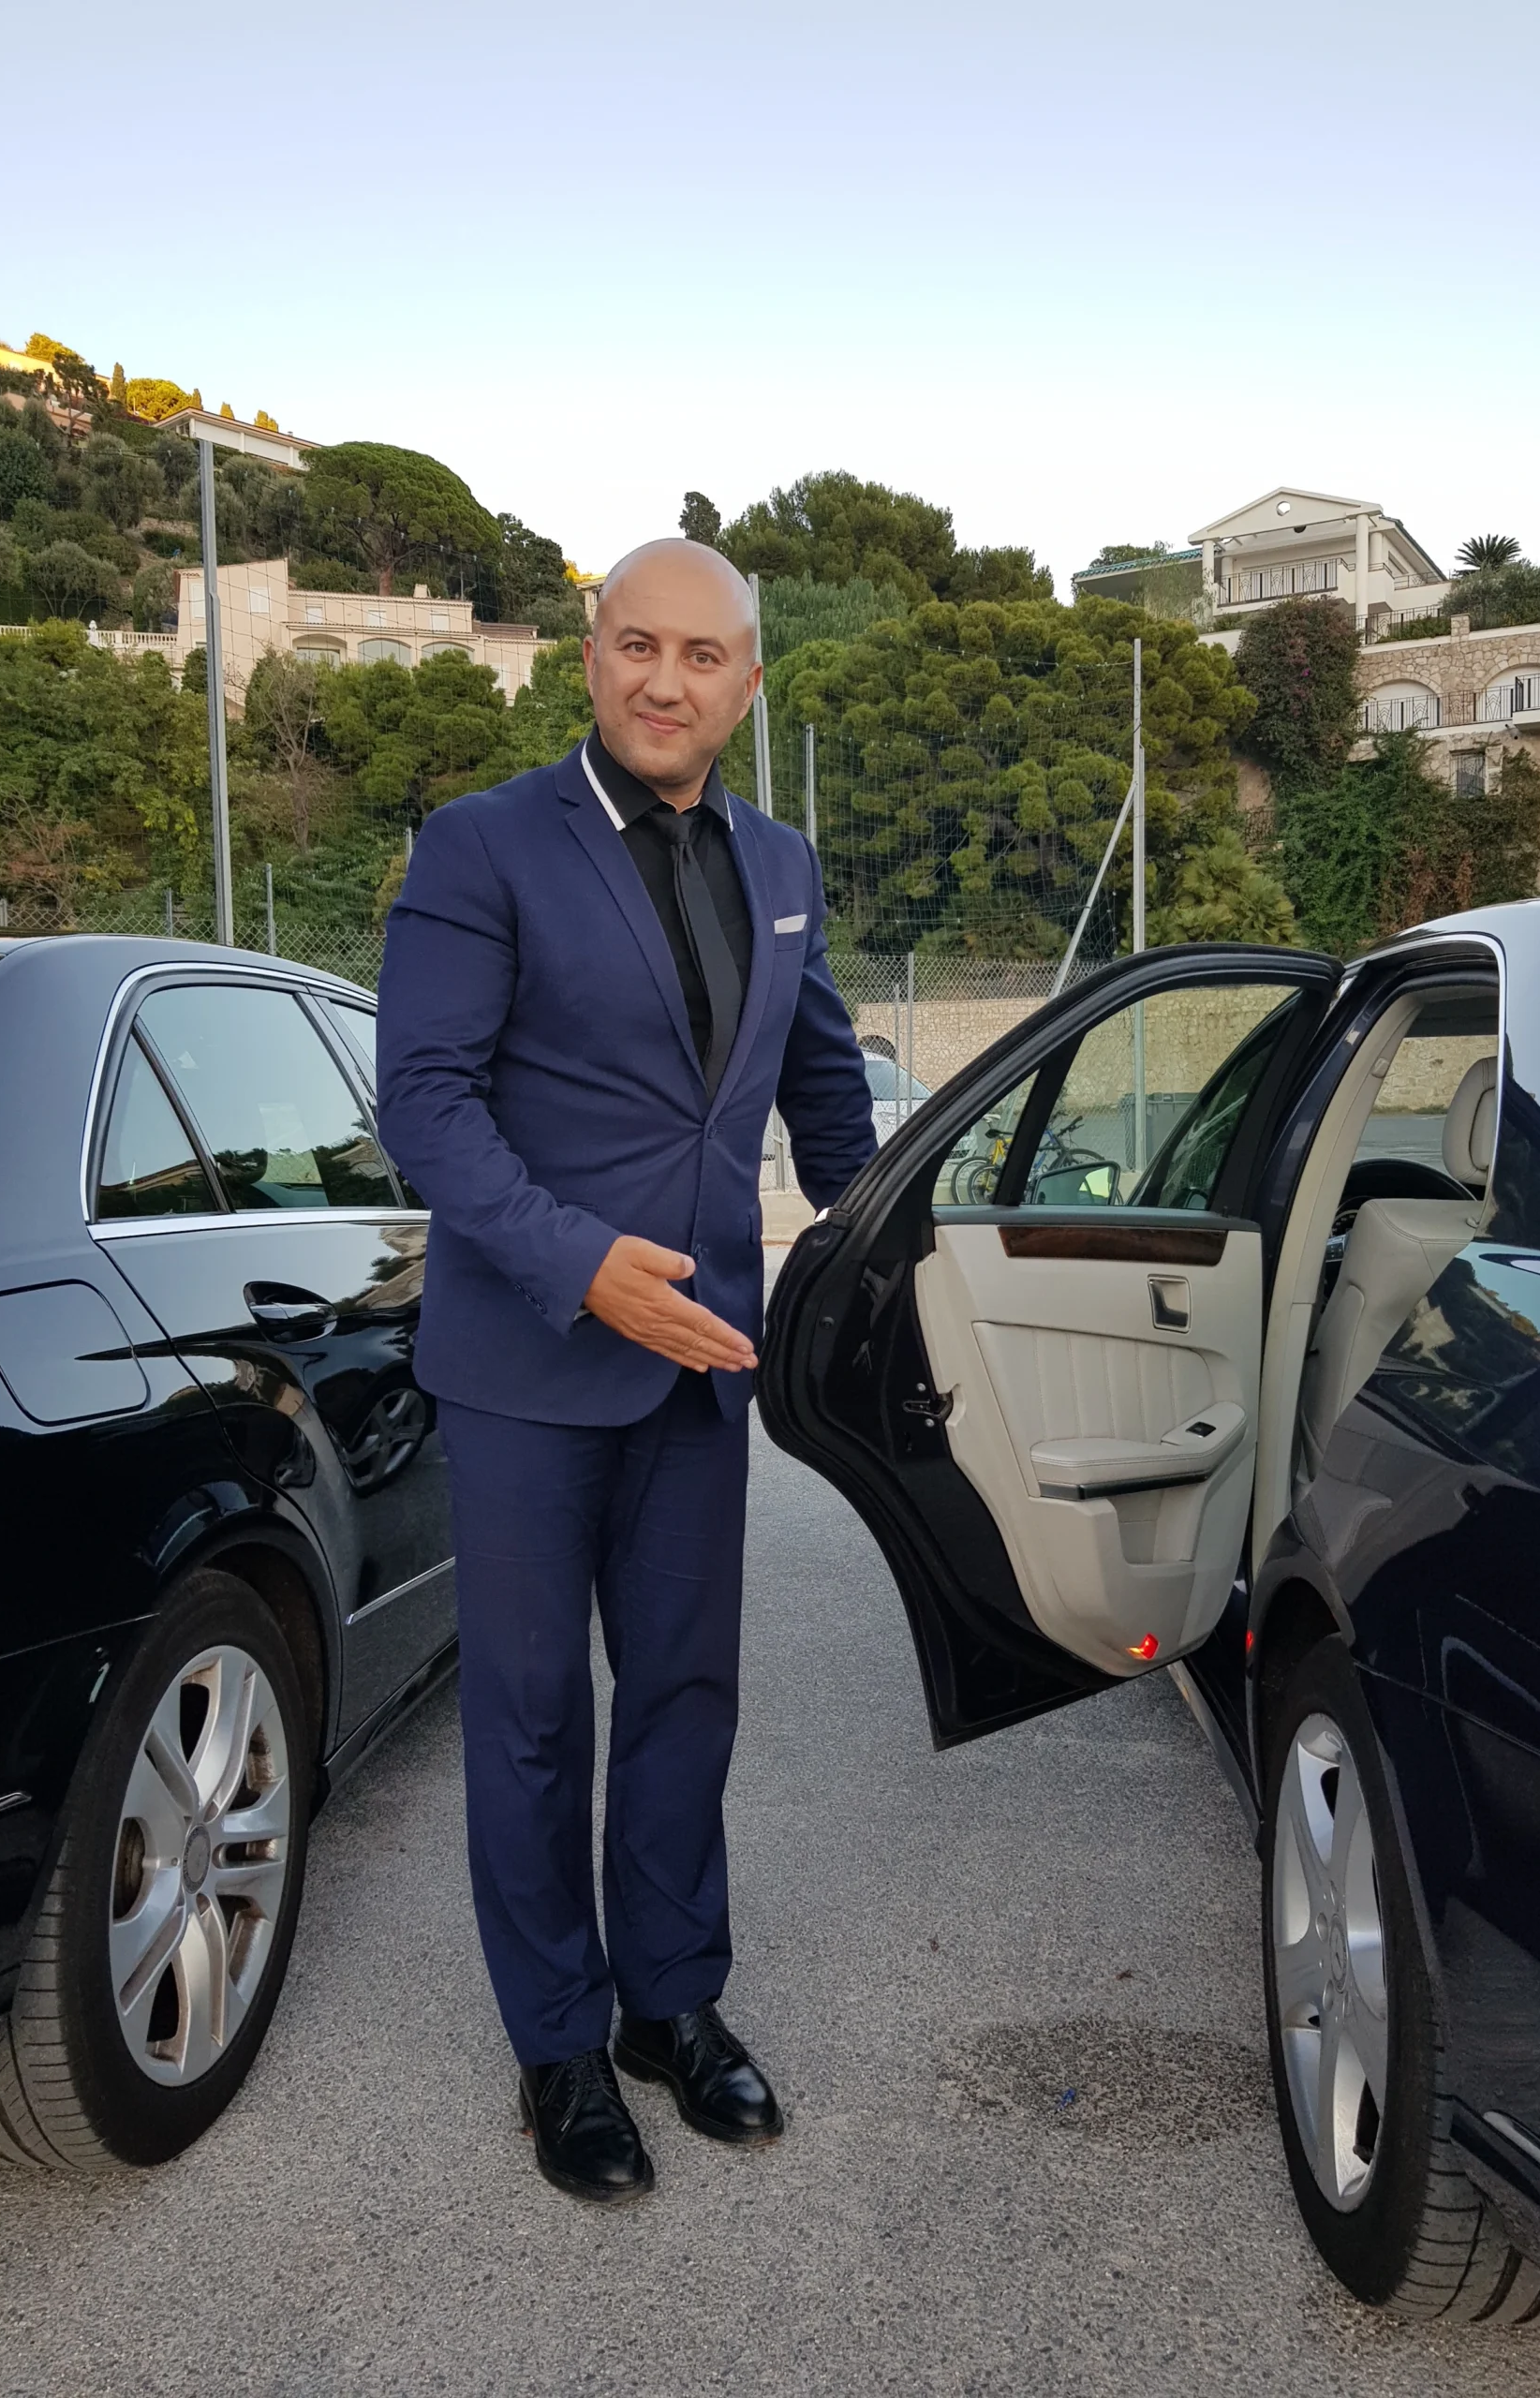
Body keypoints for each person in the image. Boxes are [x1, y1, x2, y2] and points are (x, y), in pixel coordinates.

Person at [376, 539, 878, 2204]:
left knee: (683, 1700)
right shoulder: (485, 845)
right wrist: (580, 1266)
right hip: (528, 1359)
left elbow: (822, 1092)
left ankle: (673, 2005)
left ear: (750, 681)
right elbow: (428, 1104)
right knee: (528, 1724)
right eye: (636, 647)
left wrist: (875, 1240)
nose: (667, 683)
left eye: (703, 656)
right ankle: (561, 2047)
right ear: (589, 659)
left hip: (703, 1368)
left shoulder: (784, 861)